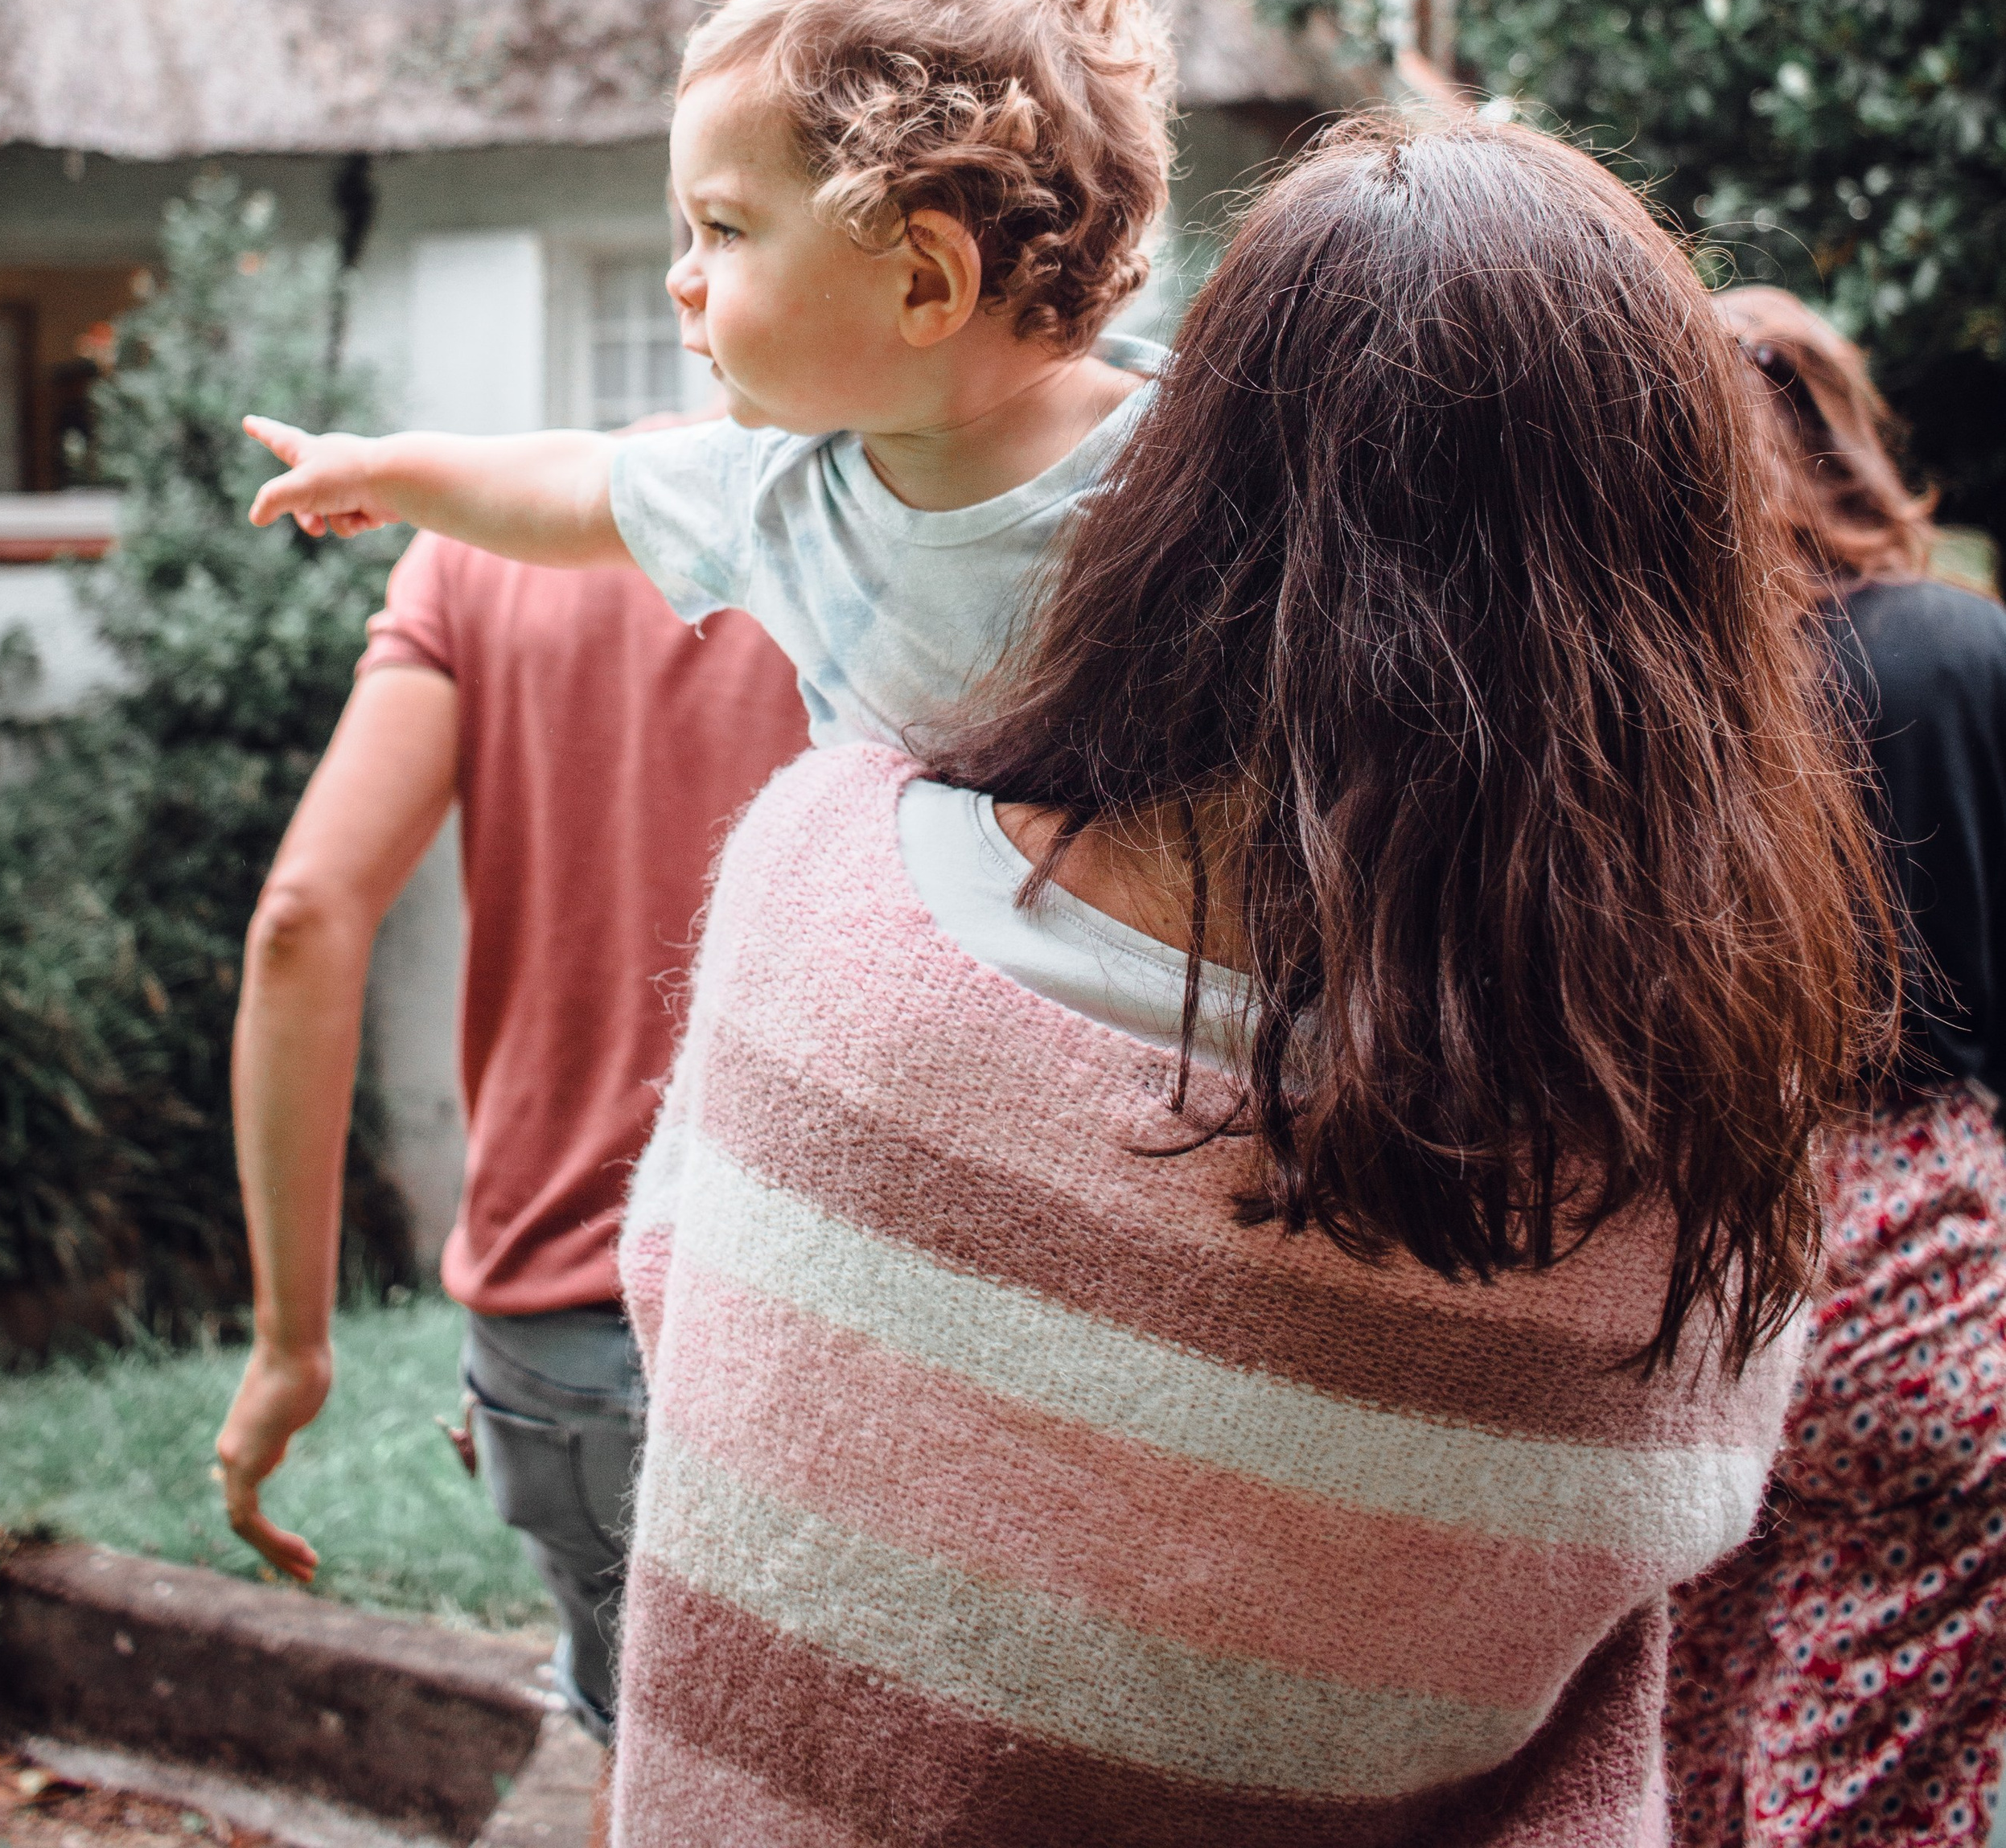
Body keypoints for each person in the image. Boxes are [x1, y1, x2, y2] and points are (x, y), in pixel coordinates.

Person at [608, 116, 1893, 1847]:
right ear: (1676, 597)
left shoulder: (824, 883)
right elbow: (1611, 1583)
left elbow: (699, 1325)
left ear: (1184, 475)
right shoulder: (1680, 1163)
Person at [240, 0, 1177, 751]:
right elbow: (576, 488)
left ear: (924, 281)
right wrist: (387, 472)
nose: (678, 279)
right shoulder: (777, 490)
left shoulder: (1200, 461)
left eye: (722, 229)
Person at [212, 533, 806, 1744]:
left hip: (561, 1340)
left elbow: (302, 916)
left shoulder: (477, 549)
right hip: (833, 1315)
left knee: (639, 1751)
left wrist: (290, 1345)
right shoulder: (947, 493)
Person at [1667, 287, 2006, 1846]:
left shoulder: (1671, 708)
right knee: (1873, 1764)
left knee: (1690, 1740)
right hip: (1922, 1263)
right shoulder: (1959, 643)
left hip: (1693, 1268)